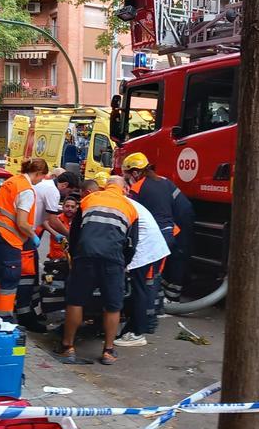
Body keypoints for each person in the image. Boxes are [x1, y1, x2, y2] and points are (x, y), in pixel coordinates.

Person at [59, 176, 138, 365]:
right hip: (113, 259)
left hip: (86, 255)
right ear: (123, 189)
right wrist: (123, 263)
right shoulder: (131, 208)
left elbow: (75, 233)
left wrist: (76, 257)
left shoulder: (89, 200)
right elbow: (131, 244)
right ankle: (108, 351)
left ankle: (67, 347)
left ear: (105, 187)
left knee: (76, 300)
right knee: (113, 305)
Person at [122, 152, 183, 332]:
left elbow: (132, 217)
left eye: (126, 174)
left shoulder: (138, 189)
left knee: (147, 281)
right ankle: (154, 313)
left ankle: (147, 322)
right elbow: (183, 206)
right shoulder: (164, 182)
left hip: (153, 238)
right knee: (155, 277)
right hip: (169, 234)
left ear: (134, 173)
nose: (126, 179)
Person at [0, 158, 49, 322]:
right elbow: (21, 222)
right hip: (6, 236)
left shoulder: (13, 181)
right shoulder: (26, 190)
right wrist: (32, 235)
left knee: (1, 273)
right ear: (37, 173)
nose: (41, 181)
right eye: (42, 177)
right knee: (11, 276)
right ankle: (4, 317)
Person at [17, 170, 80, 332]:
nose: (67, 195)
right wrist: (69, 235)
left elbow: (45, 220)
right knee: (27, 276)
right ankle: (24, 316)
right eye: (69, 192)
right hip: (25, 235)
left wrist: (56, 235)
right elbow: (53, 219)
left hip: (28, 234)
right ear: (64, 185)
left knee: (33, 278)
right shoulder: (52, 191)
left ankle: (32, 311)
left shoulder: (45, 186)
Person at [47, 195, 79, 261]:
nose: (70, 209)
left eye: (72, 207)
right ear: (62, 207)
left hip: (73, 259)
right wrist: (55, 234)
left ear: (76, 208)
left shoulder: (79, 222)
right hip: (56, 258)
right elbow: (43, 223)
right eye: (67, 206)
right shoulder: (55, 220)